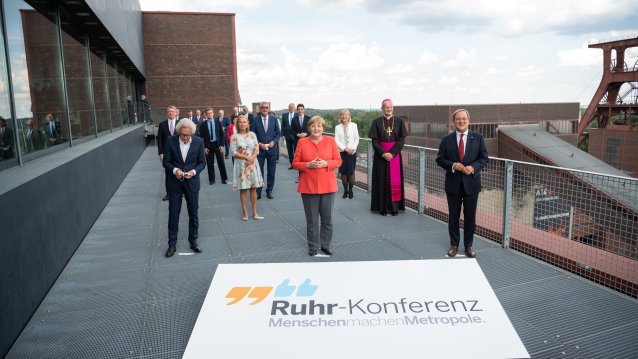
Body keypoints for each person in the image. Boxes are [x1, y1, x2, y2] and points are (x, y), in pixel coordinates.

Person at [436, 109, 488, 258]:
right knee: (453, 216)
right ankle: (454, 245)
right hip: (453, 185)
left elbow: (484, 158)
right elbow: (440, 159)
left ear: (468, 120)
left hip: (472, 184)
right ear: (454, 122)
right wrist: (452, 165)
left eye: (464, 119)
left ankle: (468, 246)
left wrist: (473, 167)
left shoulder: (478, 138)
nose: (461, 121)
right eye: (458, 119)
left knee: (470, 216)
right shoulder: (447, 140)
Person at [293, 116, 342, 256]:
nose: (316, 128)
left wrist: (326, 163)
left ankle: (325, 245)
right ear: (309, 128)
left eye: (319, 126)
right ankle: (313, 246)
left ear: (323, 128)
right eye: (313, 126)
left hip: (328, 186)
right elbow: (295, 163)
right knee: (312, 220)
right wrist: (308, 165)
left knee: (327, 219)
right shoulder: (302, 142)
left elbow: (338, 161)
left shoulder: (331, 141)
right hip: (308, 186)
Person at [162, 118, 206, 258]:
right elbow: (166, 162)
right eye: (182, 135)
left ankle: (193, 241)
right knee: (173, 213)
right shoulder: (170, 141)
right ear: (179, 132)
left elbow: (202, 163)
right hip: (174, 183)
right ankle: (172, 244)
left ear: (192, 133)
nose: (185, 138)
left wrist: (193, 172)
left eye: (187, 135)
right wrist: (175, 170)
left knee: (193, 213)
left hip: (192, 182)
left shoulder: (199, 142)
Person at [369, 99, 408, 216]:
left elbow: (401, 141)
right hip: (380, 156)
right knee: (381, 181)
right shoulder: (376, 122)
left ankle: (395, 208)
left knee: (395, 182)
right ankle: (382, 208)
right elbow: (374, 141)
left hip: (394, 156)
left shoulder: (399, 121)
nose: (389, 109)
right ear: (382, 108)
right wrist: (383, 153)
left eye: (391, 107)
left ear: (393, 108)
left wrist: (392, 153)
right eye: (386, 107)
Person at [230, 115, 264, 220]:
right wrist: (246, 157)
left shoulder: (253, 134)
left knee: (253, 189)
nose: (243, 124)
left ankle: (254, 212)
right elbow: (233, 152)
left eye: (245, 122)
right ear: (237, 124)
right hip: (241, 166)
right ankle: (245, 212)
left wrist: (252, 158)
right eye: (240, 122)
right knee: (243, 189)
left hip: (253, 165)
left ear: (247, 123)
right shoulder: (234, 136)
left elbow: (257, 149)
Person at [250, 101, 280, 200]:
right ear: (260, 108)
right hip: (260, 151)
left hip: (272, 150)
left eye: (267, 107)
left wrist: (274, 142)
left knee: (271, 172)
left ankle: (269, 191)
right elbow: (252, 135)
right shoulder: (255, 120)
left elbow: (278, 134)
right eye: (263, 107)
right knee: (259, 172)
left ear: (269, 108)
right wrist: (259, 143)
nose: (265, 109)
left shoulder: (274, 119)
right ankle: (258, 192)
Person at [334, 109, 360, 199]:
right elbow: (336, 140)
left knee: (351, 173)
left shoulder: (354, 125)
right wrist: (345, 149)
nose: (344, 116)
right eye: (342, 115)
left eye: (346, 115)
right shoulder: (337, 127)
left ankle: (351, 190)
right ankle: (345, 190)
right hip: (342, 153)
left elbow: (357, 138)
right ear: (340, 116)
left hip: (352, 153)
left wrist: (352, 149)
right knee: (343, 173)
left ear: (349, 116)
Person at [199, 107, 228, 185]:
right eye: (208, 113)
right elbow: (201, 138)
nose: (209, 114)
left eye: (211, 113)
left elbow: (222, 135)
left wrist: (222, 145)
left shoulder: (218, 122)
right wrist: (204, 148)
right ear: (206, 114)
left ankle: (224, 178)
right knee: (210, 163)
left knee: (221, 162)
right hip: (208, 146)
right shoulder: (203, 125)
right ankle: (212, 179)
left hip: (217, 145)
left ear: (213, 113)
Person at [157, 106, 180, 201]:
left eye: (172, 111)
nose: (171, 113)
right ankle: (169, 194)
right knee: (169, 174)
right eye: (169, 111)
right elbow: (159, 140)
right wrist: (161, 153)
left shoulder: (180, 123)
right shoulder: (162, 124)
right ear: (167, 113)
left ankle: (180, 192)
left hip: (179, 153)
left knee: (179, 172)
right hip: (167, 154)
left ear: (176, 113)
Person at [280, 103, 297, 169]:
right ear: (288, 108)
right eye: (290, 107)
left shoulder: (297, 115)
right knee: (289, 151)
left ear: (294, 108)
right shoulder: (284, 115)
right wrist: (282, 135)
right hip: (287, 136)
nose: (291, 108)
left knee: (296, 151)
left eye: (292, 107)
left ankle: (296, 164)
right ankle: (292, 164)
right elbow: (282, 126)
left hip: (295, 136)